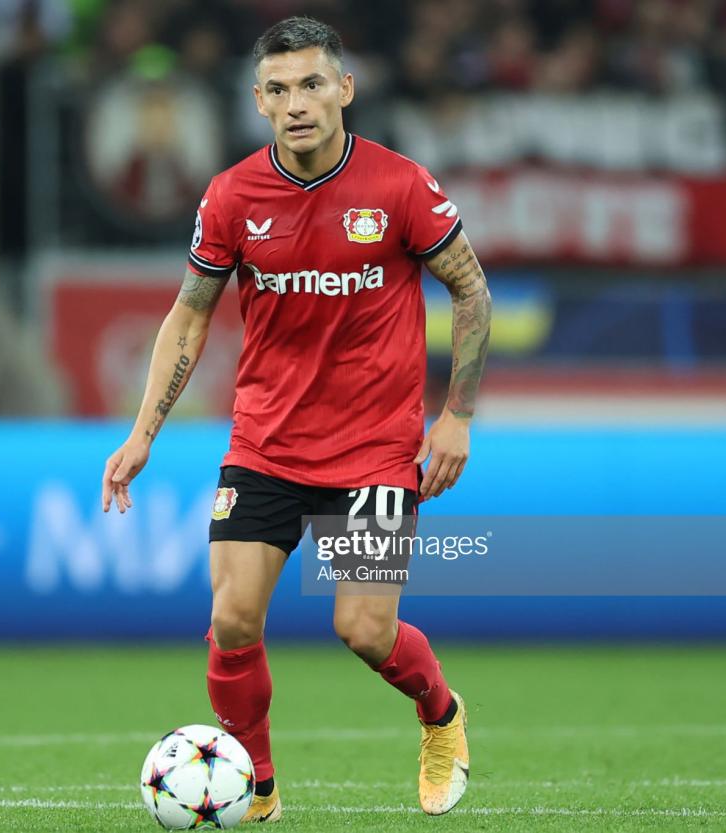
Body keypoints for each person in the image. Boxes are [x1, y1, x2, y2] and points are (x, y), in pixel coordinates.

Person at [101, 16, 492, 821]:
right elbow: (188, 315)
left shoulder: (400, 187)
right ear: (258, 101)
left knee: (363, 628)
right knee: (233, 618)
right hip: (265, 443)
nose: (296, 103)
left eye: (312, 83)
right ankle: (261, 789)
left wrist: (455, 415)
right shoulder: (233, 195)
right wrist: (143, 432)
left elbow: (472, 288)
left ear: (345, 88)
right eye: (278, 90)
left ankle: (441, 714)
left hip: (376, 449)